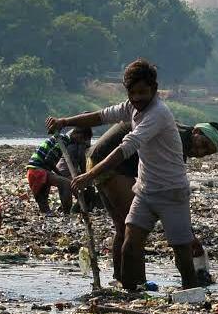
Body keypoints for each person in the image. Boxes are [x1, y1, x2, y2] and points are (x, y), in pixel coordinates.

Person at [47, 59, 199, 291]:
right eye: (132, 93)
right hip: (145, 191)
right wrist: (65, 122)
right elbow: (100, 116)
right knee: (130, 246)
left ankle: (192, 294)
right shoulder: (131, 107)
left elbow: (124, 149)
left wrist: (89, 176)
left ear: (154, 90)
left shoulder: (158, 113)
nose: (137, 98)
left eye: (143, 93)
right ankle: (131, 293)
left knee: (181, 252)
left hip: (172, 192)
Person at [87, 119, 218, 283]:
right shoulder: (175, 141)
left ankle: (121, 279)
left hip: (96, 158)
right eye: (203, 143)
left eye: (206, 152)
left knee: (123, 228)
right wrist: (187, 233)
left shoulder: (178, 135)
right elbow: (167, 191)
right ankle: (136, 284)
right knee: (134, 231)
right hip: (111, 163)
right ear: (196, 131)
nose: (200, 151)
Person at [26, 127, 92, 214]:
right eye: (81, 139)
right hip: (37, 169)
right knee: (66, 184)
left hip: (38, 169)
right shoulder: (63, 140)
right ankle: (67, 213)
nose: (81, 142)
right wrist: (59, 174)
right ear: (76, 134)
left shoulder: (64, 139)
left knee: (43, 198)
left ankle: (48, 214)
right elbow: (48, 159)